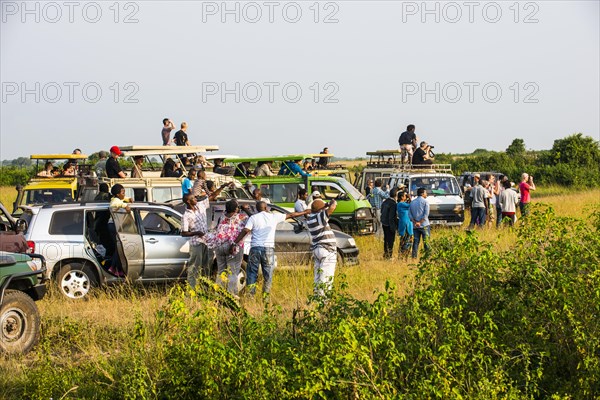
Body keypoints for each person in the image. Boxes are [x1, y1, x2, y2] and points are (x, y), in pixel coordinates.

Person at [231, 201, 310, 299]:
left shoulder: (253, 218)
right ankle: (266, 297)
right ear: (266, 208)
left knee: (252, 273)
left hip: (255, 248)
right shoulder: (273, 217)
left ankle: (250, 296)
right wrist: (305, 212)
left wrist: (235, 242)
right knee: (268, 274)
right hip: (268, 249)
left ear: (257, 209)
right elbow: (292, 214)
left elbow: (246, 230)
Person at [181, 183, 230, 289]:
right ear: (189, 201)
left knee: (206, 266)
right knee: (194, 267)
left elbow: (212, 197)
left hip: (206, 241)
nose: (196, 198)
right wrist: (196, 233)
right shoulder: (186, 216)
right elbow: (183, 232)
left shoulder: (200, 206)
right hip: (196, 243)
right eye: (193, 198)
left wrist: (222, 187)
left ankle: (204, 288)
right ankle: (192, 289)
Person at [205, 199, 250, 296]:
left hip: (219, 246)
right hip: (233, 247)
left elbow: (217, 228)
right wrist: (245, 209)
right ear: (236, 208)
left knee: (221, 271)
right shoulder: (242, 217)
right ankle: (231, 295)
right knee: (233, 272)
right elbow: (255, 218)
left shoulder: (222, 217)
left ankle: (218, 294)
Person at [307, 198, 337, 297]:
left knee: (318, 276)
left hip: (317, 249)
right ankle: (324, 300)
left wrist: (325, 205)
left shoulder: (311, 218)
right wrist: (332, 202)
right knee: (326, 277)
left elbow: (320, 209)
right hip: (327, 250)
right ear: (321, 209)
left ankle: (316, 297)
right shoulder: (320, 217)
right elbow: (332, 208)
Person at [409, 187, 430, 259]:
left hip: (415, 226)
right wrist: (420, 222)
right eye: (425, 193)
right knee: (426, 242)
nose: (426, 194)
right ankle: (427, 257)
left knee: (415, 242)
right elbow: (426, 214)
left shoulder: (412, 202)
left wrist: (415, 222)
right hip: (424, 225)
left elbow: (410, 214)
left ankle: (414, 257)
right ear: (422, 193)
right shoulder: (425, 202)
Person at [380, 188, 398, 259]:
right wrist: (393, 227)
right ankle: (389, 255)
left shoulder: (385, 201)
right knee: (391, 240)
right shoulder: (393, 204)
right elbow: (391, 216)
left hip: (384, 223)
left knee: (386, 239)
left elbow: (381, 211)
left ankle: (386, 254)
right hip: (389, 224)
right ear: (395, 195)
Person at [396, 191, 414, 259]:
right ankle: (403, 255)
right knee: (405, 240)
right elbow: (411, 205)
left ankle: (405, 255)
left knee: (408, 240)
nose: (405, 197)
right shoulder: (400, 204)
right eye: (404, 196)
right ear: (401, 197)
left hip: (407, 223)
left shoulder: (402, 204)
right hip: (405, 224)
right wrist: (410, 197)